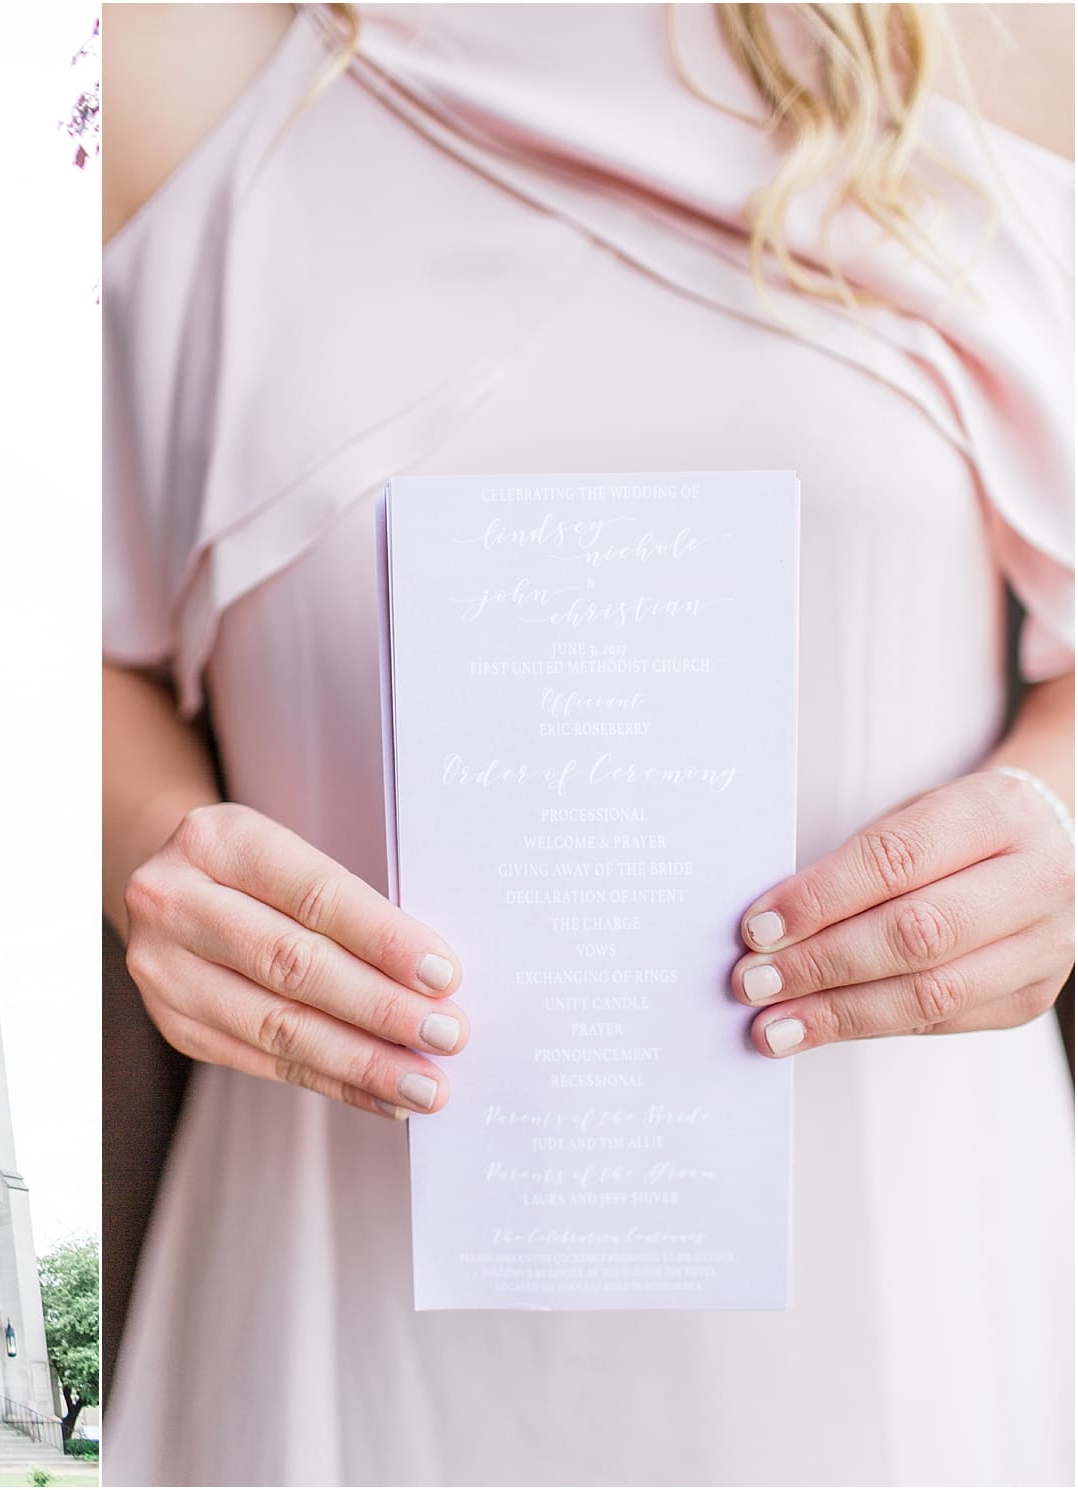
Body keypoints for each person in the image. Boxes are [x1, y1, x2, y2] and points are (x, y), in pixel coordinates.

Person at [102, 4, 1074, 1486]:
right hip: (335, 1297)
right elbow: (62, 624)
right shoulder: (166, 61)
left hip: (897, 1280)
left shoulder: (1016, 46)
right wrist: (138, 851)